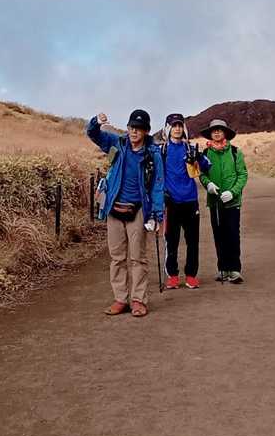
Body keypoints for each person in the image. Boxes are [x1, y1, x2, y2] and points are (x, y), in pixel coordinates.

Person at [86, 109, 166, 317]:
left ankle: (138, 300)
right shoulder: (118, 143)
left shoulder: (153, 153)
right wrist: (96, 122)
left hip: (138, 209)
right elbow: (93, 134)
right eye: (131, 127)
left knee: (138, 258)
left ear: (146, 131)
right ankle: (121, 299)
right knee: (117, 257)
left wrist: (157, 214)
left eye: (138, 128)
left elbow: (158, 184)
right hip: (114, 207)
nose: (134, 131)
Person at [159, 112, 209, 290]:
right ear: (168, 128)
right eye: (174, 125)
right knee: (171, 241)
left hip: (190, 201)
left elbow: (206, 166)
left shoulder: (191, 148)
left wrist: (198, 158)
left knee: (192, 241)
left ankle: (191, 275)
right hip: (171, 202)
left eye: (180, 125)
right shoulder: (162, 151)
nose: (177, 129)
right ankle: (172, 276)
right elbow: (156, 174)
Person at [198, 117, 248, 284]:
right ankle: (223, 268)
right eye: (214, 130)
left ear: (225, 133)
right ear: (210, 134)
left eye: (220, 130)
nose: (217, 132)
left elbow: (242, 175)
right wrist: (208, 184)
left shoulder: (235, 152)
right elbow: (202, 174)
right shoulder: (205, 154)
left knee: (232, 234)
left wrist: (233, 192)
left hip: (232, 202)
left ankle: (234, 269)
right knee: (218, 235)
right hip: (215, 202)